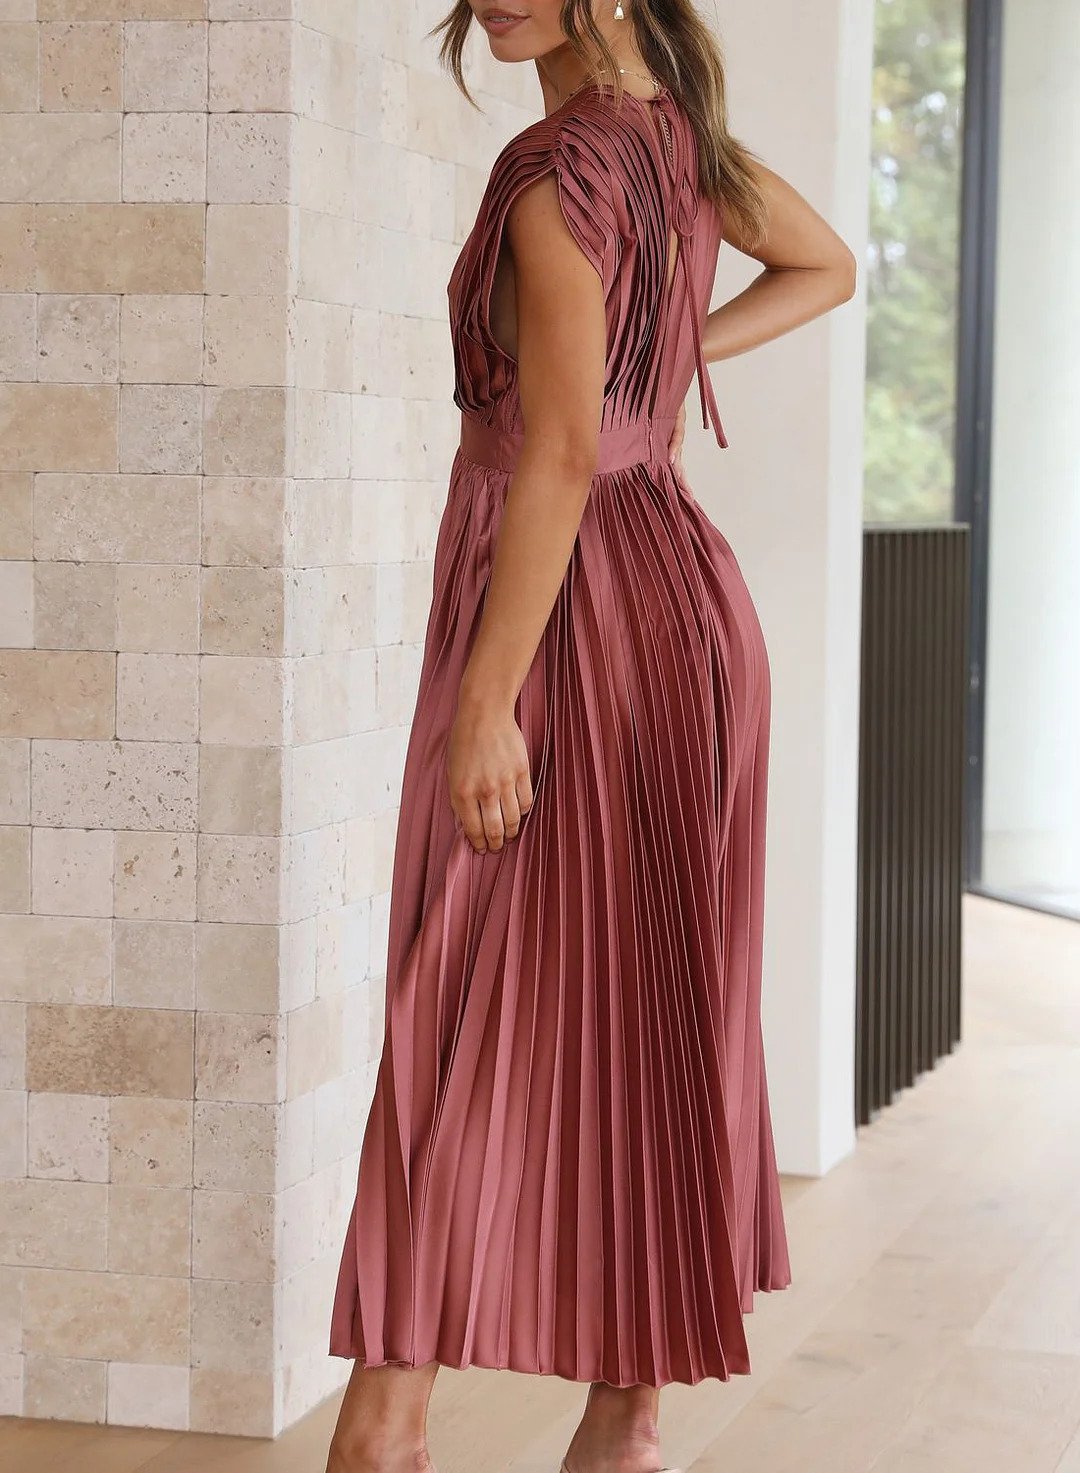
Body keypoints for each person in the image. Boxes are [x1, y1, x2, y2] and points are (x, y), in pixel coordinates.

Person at [326, 3, 856, 1471]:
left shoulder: (561, 168)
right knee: (655, 1007)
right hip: (669, 600)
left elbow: (557, 450)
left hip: (570, 617)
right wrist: (669, 372)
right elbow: (825, 266)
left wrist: (488, 699)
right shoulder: (683, 146)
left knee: (462, 998)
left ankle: (389, 1417)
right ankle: (618, 1418)